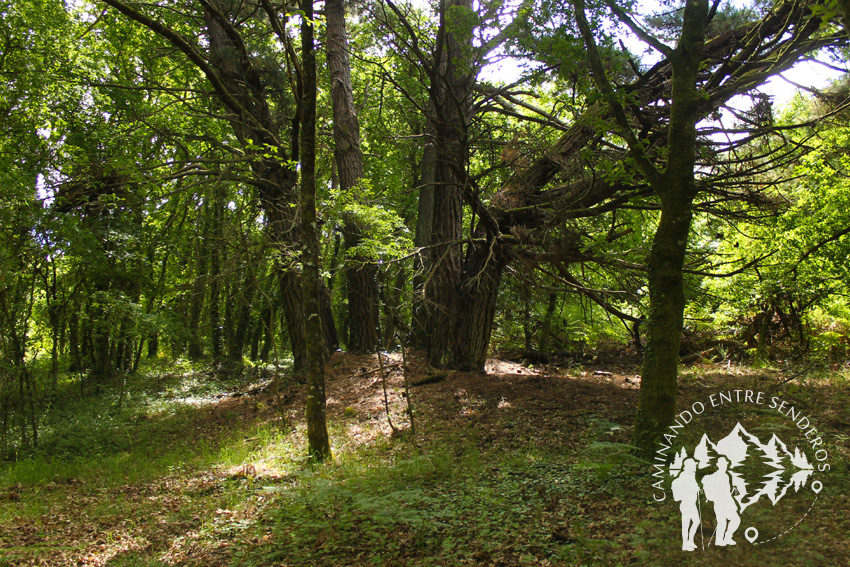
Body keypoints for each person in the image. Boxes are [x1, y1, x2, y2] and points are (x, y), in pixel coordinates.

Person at [702, 456, 741, 546]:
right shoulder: (718, 476)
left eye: (725, 464)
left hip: (723, 501)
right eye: (722, 464)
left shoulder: (725, 475)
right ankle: (725, 538)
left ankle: (722, 540)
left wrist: (731, 492)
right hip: (722, 502)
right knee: (732, 520)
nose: (724, 465)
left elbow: (724, 491)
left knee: (725, 522)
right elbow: (721, 491)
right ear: (718, 465)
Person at [671, 458, 701, 551]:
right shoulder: (685, 477)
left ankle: (690, 541)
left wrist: (697, 489)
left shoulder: (691, 476)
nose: (695, 467)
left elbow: (694, 487)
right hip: (687, 503)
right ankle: (685, 544)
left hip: (692, 503)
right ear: (689, 466)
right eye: (694, 465)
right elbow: (686, 489)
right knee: (686, 524)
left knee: (696, 521)